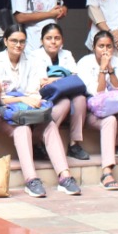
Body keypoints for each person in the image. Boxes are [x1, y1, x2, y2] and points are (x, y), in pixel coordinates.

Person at [0, 23, 78, 198]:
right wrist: (21, 99)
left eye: (22, 41)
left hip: (29, 112)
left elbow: (35, 93)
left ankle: (65, 176)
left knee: (50, 125)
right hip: (4, 115)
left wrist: (26, 99)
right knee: (22, 129)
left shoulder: (32, 61)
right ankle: (31, 179)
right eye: (14, 41)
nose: (18, 45)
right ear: (5, 41)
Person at [78, 30, 118, 189]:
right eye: (101, 46)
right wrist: (102, 70)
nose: (105, 50)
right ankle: (107, 171)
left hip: (114, 109)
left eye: (109, 46)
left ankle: (113, 143)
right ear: (93, 47)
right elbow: (97, 94)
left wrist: (110, 69)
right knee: (110, 120)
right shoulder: (84, 62)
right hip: (93, 113)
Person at [40, 22, 91, 161]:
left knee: (80, 99)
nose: (53, 42)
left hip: (66, 92)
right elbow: (41, 81)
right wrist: (64, 77)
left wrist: (54, 79)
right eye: (48, 38)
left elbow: (75, 76)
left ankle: (74, 144)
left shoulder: (67, 54)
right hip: (48, 95)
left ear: (62, 40)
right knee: (65, 102)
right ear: (41, 40)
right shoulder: (34, 56)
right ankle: (44, 139)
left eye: (57, 38)